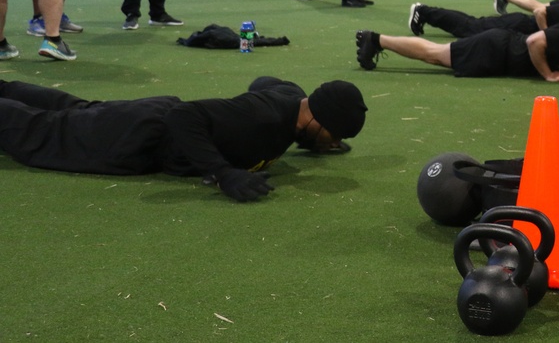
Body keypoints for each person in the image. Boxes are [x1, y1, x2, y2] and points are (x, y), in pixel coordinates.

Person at [0, 77, 367, 202]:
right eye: (332, 137)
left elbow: (262, 82)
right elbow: (184, 116)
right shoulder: (262, 119)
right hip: (139, 138)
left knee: (71, 109)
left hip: (145, 116)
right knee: (40, 132)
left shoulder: (291, 98)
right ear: (317, 119)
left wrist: (313, 140)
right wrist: (224, 173)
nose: (332, 144)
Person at [355, 22, 559, 82]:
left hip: (498, 48)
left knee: (435, 53)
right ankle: (376, 40)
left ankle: (377, 40)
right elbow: (535, 42)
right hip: (495, 50)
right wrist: (549, 75)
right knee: (433, 53)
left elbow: (549, 46)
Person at [408, 1, 559, 38]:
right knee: (469, 27)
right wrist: (545, 34)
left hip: (518, 24)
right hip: (518, 24)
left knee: (471, 24)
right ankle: (424, 11)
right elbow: (540, 11)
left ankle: (426, 13)